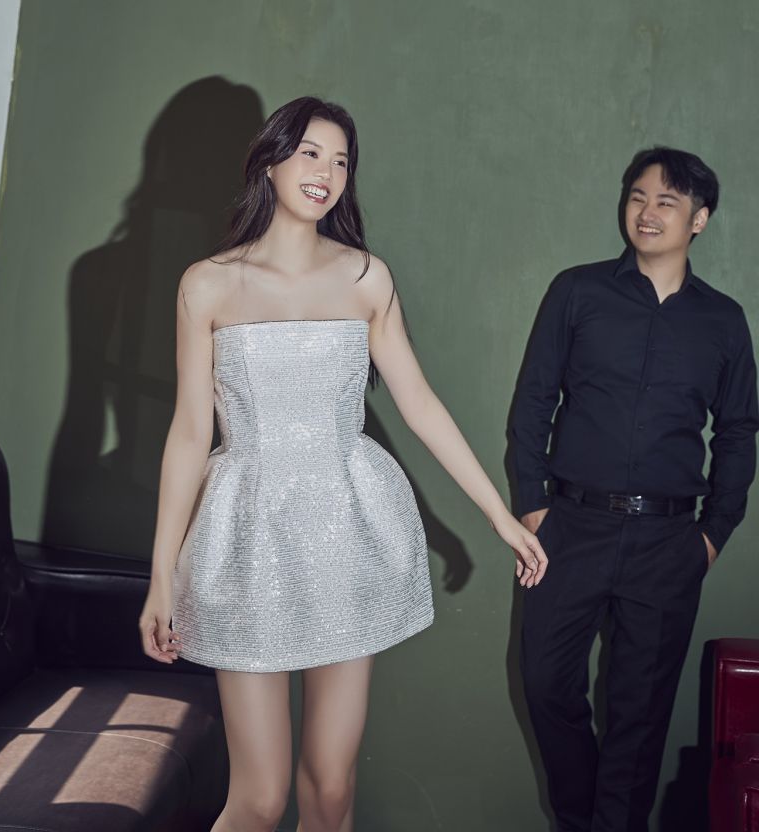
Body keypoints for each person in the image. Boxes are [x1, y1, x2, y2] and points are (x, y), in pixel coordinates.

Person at [139, 96, 547, 832]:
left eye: (340, 161)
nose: (325, 173)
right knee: (259, 800)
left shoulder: (366, 278)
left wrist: (499, 516)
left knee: (330, 789)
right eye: (309, 153)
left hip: (346, 534)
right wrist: (161, 574)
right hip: (249, 540)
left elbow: (419, 404)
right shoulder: (208, 283)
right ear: (270, 160)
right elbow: (189, 433)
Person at [512, 146, 758, 832]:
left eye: (667, 202)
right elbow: (533, 402)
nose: (647, 212)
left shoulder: (724, 321)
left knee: (639, 715)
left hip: (668, 542)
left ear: (699, 220)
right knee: (545, 683)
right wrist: (532, 506)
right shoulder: (577, 292)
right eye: (638, 197)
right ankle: (581, 819)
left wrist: (713, 535)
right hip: (568, 528)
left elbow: (739, 431)